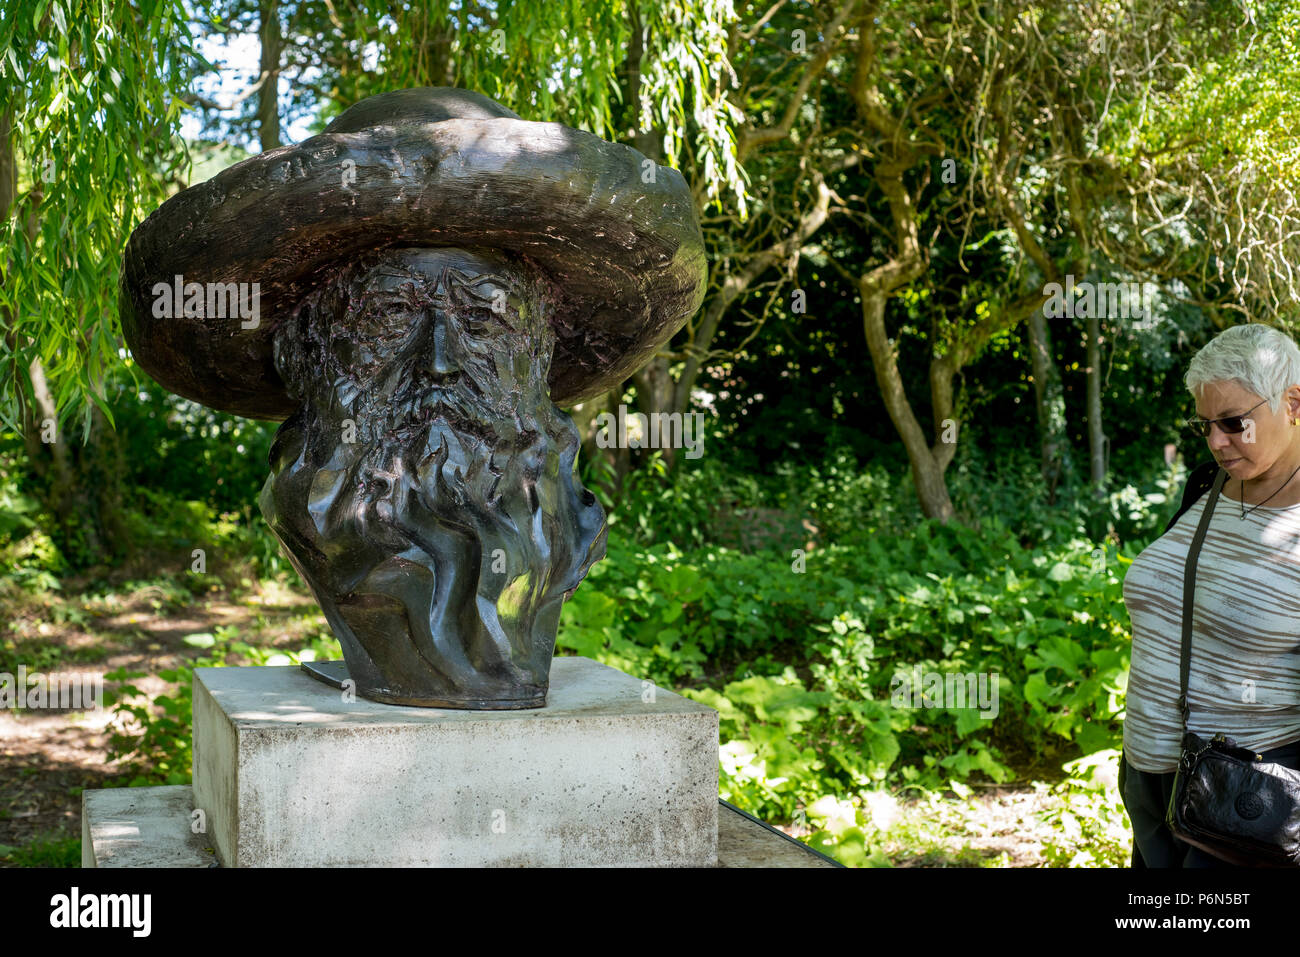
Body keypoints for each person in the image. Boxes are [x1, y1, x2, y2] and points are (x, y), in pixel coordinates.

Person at [1119, 322, 1300, 866]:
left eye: (1233, 422)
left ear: (1294, 402)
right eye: (1205, 425)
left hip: (1245, 796)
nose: (1217, 441)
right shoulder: (1206, 484)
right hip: (1151, 783)